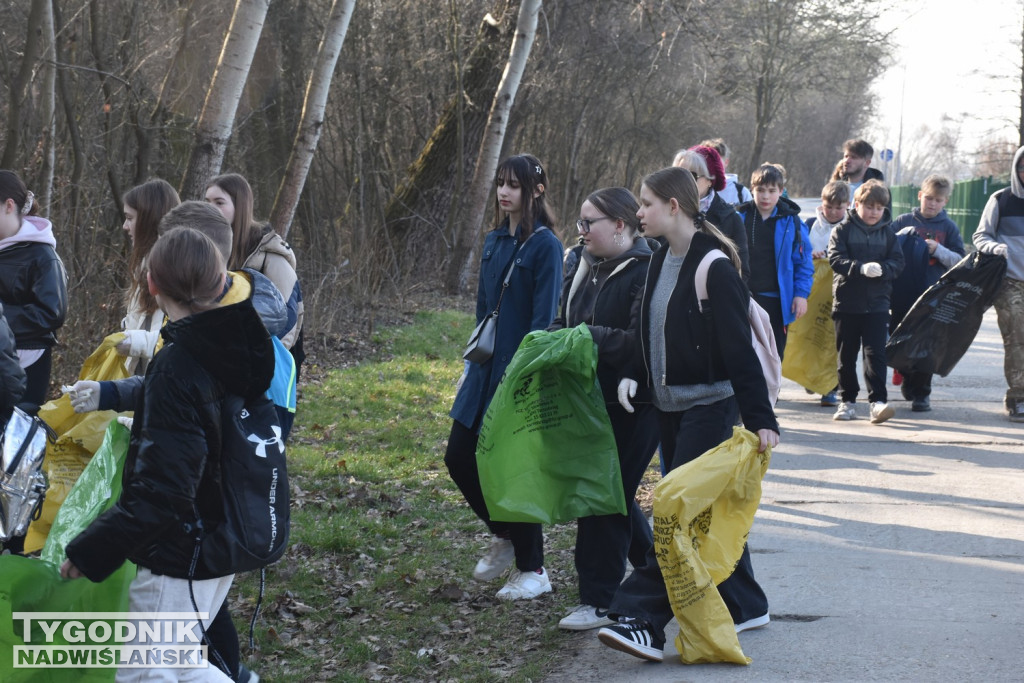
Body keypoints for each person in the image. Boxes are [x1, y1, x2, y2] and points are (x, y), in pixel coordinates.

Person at [61, 227, 275, 683]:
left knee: (143, 673)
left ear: (153, 286)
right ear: (220, 280)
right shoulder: (235, 341)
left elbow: (164, 488)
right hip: (223, 534)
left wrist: (94, 549)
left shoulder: (181, 362)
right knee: (182, 662)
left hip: (183, 548)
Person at [596, 167, 779, 663]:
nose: (639, 213)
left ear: (674, 206)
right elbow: (645, 328)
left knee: (675, 513)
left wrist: (763, 420)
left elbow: (740, 353)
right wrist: (634, 371)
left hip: (711, 409)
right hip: (670, 410)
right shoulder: (659, 260)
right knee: (700, 512)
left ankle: (643, 621)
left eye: (647, 204)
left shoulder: (714, 266)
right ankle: (745, 603)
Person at [445, 154, 564, 600]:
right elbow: (482, 310)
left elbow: (544, 317)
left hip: (519, 373)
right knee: (459, 457)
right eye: (500, 183)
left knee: (512, 468)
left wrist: (524, 372)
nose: (504, 192)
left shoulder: (546, 246)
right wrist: (471, 363)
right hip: (483, 370)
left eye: (513, 185)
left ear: (536, 189)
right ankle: (506, 533)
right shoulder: (494, 240)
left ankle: (534, 569)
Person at [549, 187, 660, 630]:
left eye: (587, 223)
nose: (580, 231)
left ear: (619, 225)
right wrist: (556, 339)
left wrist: (587, 337)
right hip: (586, 398)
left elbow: (639, 342)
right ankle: (662, 573)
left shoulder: (648, 270)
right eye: (579, 222)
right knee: (612, 493)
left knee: (603, 496)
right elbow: (563, 318)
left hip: (636, 403)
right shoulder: (578, 262)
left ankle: (598, 599)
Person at [827, 179, 904, 423]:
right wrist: (859, 268)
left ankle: (877, 402)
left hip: (878, 304)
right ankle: (847, 401)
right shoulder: (842, 230)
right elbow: (835, 258)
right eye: (869, 206)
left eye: (879, 208)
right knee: (846, 355)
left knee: (875, 355)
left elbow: (898, 263)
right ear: (857, 204)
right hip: (847, 303)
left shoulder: (888, 233)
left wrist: (883, 268)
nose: (874, 212)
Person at [205, 173, 304, 361]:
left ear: (240, 206)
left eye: (219, 202)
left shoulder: (271, 254)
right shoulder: (207, 251)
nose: (210, 208)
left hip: (261, 366)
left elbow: (286, 321)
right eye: (207, 201)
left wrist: (256, 364)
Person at [890, 174, 965, 412]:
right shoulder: (903, 221)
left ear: (945, 202)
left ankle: (922, 394)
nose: (932, 203)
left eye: (938, 200)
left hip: (933, 295)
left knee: (928, 345)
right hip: (902, 293)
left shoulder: (948, 227)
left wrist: (938, 250)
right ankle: (906, 374)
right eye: (929, 198)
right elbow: (886, 246)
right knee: (898, 339)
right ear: (920, 195)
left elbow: (960, 261)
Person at [0, 170, 68, 415]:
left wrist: (2, 320)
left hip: (28, 363)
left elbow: (52, 313)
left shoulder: (43, 255)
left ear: (9, 206)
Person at [736, 163, 813, 358]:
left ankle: (770, 390)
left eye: (771, 191)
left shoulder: (792, 222)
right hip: (743, 297)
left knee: (773, 355)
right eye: (760, 190)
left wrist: (801, 294)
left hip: (776, 302)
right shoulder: (739, 217)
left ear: (781, 191)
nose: (765, 196)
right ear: (752, 189)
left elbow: (803, 263)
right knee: (743, 354)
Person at [972, 145, 1024, 422]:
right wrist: (995, 248)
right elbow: (981, 236)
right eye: (1023, 167)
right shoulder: (1001, 199)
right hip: (1010, 281)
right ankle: (1018, 396)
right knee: (1017, 337)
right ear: (1016, 170)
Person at [118, 179, 181, 375]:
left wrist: (134, 341)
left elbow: (180, 340)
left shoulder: (176, 271)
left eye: (130, 218)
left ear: (149, 220)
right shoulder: (144, 267)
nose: (124, 226)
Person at [805, 180, 852, 407]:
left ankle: (830, 388)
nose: (833, 212)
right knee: (811, 337)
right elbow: (798, 250)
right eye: (828, 206)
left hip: (840, 293)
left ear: (848, 205)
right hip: (813, 293)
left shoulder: (852, 227)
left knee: (834, 342)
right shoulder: (810, 224)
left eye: (838, 207)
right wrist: (809, 255)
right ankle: (810, 376)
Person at [673, 146, 750, 281]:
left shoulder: (731, 218)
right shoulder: (665, 211)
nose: (683, 182)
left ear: (709, 180)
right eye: (678, 175)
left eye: (692, 176)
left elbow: (741, 272)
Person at [698, 138, 753, 206]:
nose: (712, 167)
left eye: (716, 162)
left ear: (726, 162)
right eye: (708, 162)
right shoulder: (695, 189)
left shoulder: (741, 193)